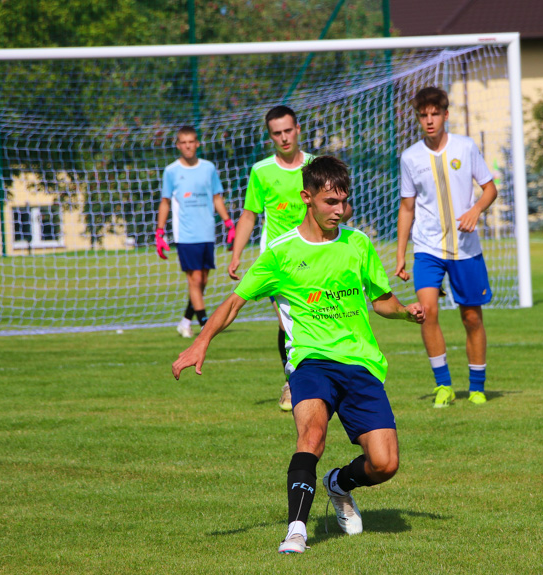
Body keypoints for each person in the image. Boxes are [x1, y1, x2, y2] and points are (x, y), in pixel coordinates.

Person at [172, 156, 425, 555]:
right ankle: (296, 530)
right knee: (312, 435)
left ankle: (338, 484)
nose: (339, 210)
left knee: (385, 463)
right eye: (330, 202)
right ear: (307, 198)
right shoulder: (281, 252)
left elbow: (382, 300)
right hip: (310, 362)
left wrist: (407, 312)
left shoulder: (357, 244)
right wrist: (201, 341)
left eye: (344, 201)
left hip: (360, 362)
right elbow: (234, 303)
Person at [395, 86, 498, 408]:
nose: (429, 120)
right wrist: (400, 254)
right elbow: (407, 208)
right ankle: (443, 386)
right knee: (426, 313)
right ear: (417, 117)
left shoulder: (466, 148)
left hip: (465, 249)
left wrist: (475, 210)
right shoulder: (410, 157)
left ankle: (477, 387)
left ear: (445, 115)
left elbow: (490, 189)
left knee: (471, 318)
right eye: (423, 115)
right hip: (426, 248)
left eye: (434, 114)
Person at [228, 106, 317, 412]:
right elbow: (250, 214)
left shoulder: (316, 166)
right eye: (277, 133)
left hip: (315, 254)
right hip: (277, 259)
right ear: (271, 136)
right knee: (286, 322)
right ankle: (293, 381)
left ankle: (322, 378)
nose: (283, 137)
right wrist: (236, 254)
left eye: (288, 131)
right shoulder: (262, 171)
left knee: (314, 318)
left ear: (298, 129)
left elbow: (338, 204)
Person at [156, 125, 234, 338]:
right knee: (195, 280)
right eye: (184, 142)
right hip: (185, 234)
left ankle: (184, 322)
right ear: (178, 145)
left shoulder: (208, 168)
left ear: (197, 143)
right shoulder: (171, 171)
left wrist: (228, 223)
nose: (188, 146)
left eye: (192, 141)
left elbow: (217, 197)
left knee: (202, 281)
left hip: (206, 232)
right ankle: (205, 324)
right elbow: (164, 202)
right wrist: (160, 232)